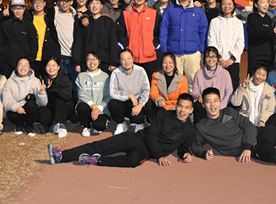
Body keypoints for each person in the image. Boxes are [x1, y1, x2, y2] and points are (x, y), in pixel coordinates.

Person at [48, 93, 197, 167]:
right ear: (176, 106)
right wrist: (160, 156)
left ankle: (96, 160)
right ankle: (61, 156)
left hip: (146, 153)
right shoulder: (163, 114)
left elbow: (184, 145)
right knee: (101, 145)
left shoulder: (190, 130)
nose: (182, 110)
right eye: (180, 106)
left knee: (133, 161)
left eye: (186, 108)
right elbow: (151, 135)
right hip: (137, 139)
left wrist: (185, 154)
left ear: (191, 110)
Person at [160, 0, 208, 91]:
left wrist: (201, 50)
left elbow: (203, 31)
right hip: (174, 53)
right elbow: (164, 31)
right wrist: (165, 51)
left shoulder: (198, 11)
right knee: (175, 83)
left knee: (194, 83)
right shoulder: (170, 10)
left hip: (193, 53)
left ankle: (193, 101)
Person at [117, 0, 160, 82]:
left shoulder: (153, 13)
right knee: (133, 84)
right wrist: (126, 47)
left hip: (150, 57)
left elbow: (158, 32)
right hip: (132, 58)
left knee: (151, 83)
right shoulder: (126, 13)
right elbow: (120, 33)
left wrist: (155, 46)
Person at [72, 0, 119, 74]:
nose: (94, 6)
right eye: (92, 3)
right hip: (86, 63)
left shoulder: (108, 22)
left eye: (97, 3)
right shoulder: (84, 22)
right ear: (88, 6)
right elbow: (78, 42)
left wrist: (113, 62)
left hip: (104, 62)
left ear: (101, 6)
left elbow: (113, 42)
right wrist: (77, 63)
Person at [2, 57, 49, 136]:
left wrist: (42, 93)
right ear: (16, 67)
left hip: (29, 110)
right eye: (20, 65)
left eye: (26, 65)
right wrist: (16, 107)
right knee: (11, 114)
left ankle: (28, 126)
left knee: (32, 105)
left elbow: (43, 103)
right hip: (16, 109)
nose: (23, 68)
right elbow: (6, 100)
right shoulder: (9, 82)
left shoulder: (35, 81)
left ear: (30, 68)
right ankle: (19, 125)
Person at [207, 0, 245, 90]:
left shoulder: (238, 23)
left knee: (233, 87)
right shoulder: (214, 21)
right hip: (217, 61)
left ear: (233, 6)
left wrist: (231, 59)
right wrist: (219, 58)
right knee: (216, 87)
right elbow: (211, 41)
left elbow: (240, 43)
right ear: (220, 6)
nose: (226, 6)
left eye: (229, 4)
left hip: (233, 62)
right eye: (224, 4)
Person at [108, 49, 150, 135]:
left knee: (138, 117)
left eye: (128, 58)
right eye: (123, 59)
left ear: (133, 59)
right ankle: (121, 123)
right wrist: (129, 96)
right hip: (122, 102)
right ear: (119, 61)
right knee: (112, 104)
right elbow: (112, 93)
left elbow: (146, 90)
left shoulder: (141, 70)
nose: (126, 61)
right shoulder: (116, 73)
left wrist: (140, 105)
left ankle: (138, 123)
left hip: (136, 102)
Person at [0, 0, 39, 79]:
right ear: (11, 9)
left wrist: (29, 60)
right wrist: (0, 59)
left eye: (21, 8)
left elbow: (34, 44)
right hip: (6, 65)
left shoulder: (29, 25)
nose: (18, 11)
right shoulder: (5, 24)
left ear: (24, 9)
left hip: (23, 65)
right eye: (15, 8)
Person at [191, 46, 233, 123]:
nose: (211, 59)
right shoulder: (199, 73)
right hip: (204, 105)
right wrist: (199, 96)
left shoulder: (225, 73)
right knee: (197, 106)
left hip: (220, 105)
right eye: (208, 56)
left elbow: (229, 93)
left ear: (217, 58)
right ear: (204, 58)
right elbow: (194, 91)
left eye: (213, 56)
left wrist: (220, 106)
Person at [74, 52, 111, 136]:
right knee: (82, 107)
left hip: (100, 109)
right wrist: (93, 106)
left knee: (99, 126)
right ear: (86, 61)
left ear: (99, 61)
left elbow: (107, 96)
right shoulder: (81, 76)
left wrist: (98, 108)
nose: (92, 62)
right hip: (87, 107)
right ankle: (86, 126)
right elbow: (82, 94)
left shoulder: (105, 76)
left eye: (94, 59)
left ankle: (101, 121)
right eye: (89, 59)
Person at [26, 0, 61, 77]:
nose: (38, 5)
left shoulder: (50, 17)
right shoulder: (27, 17)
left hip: (46, 56)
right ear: (31, 4)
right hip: (32, 56)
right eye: (35, 2)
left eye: (40, 2)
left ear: (44, 3)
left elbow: (67, 8)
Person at [39, 56, 74, 139]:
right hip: (50, 106)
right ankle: (49, 126)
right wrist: (42, 92)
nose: (51, 68)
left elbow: (67, 96)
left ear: (58, 67)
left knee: (59, 102)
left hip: (64, 107)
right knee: (43, 113)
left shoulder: (65, 78)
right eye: (48, 66)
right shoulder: (43, 79)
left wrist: (53, 89)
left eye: (53, 65)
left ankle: (61, 126)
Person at [50, 0, 78, 85]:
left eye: (67, 1)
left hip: (73, 58)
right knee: (61, 85)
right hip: (60, 58)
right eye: (62, 1)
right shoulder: (54, 14)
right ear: (58, 2)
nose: (64, 3)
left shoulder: (75, 16)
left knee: (75, 86)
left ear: (71, 2)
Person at [148, 52, 189, 117]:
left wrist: (172, 106)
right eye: (165, 63)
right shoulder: (156, 75)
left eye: (170, 63)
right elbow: (153, 93)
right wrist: (159, 99)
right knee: (149, 103)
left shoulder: (183, 78)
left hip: (175, 107)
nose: (167, 66)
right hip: (161, 105)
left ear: (174, 63)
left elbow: (182, 97)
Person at [246, 0, 275, 74]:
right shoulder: (252, 17)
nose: (266, 5)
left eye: (267, 2)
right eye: (263, 2)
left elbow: (271, 38)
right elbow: (254, 34)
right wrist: (269, 32)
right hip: (255, 56)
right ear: (256, 4)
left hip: (268, 56)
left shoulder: (269, 19)